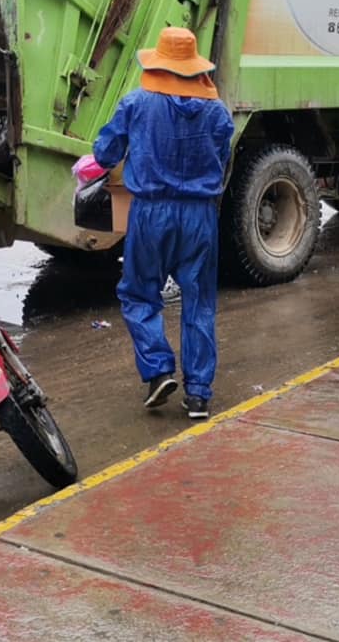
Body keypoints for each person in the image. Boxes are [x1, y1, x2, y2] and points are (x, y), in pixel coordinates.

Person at [93, 26, 234, 419]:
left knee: (139, 294)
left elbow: (105, 151)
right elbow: (222, 155)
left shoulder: (137, 102)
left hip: (151, 212)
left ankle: (158, 371)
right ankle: (199, 394)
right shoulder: (217, 111)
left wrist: (101, 163)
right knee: (199, 302)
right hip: (200, 215)